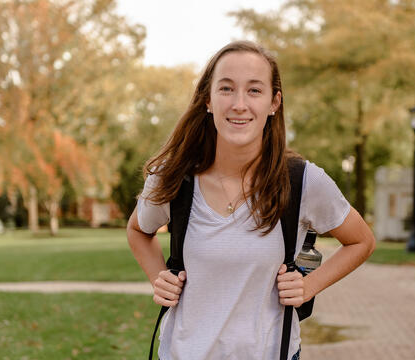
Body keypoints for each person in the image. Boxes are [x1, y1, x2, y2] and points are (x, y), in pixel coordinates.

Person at [127, 40, 376, 360]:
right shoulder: (173, 176)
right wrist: (157, 278)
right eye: (227, 89)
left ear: (274, 103)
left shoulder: (302, 181)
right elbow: (138, 230)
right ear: (208, 100)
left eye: (254, 90)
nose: (239, 104)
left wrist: (309, 286)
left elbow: (362, 241)